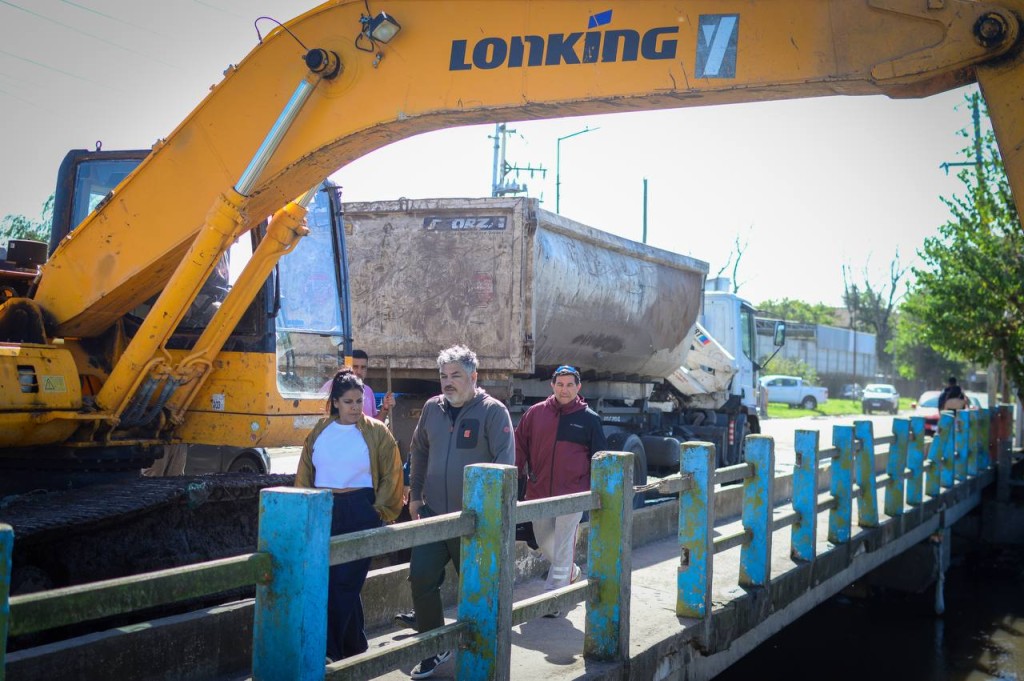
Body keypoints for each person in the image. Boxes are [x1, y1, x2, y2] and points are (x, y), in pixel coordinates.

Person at [405, 345, 515, 679]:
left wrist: (490, 514)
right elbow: (419, 449)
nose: (448, 382)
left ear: (473, 376)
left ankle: (481, 651)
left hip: (475, 521)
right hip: (436, 514)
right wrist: (415, 494)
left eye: (455, 375)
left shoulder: (493, 412)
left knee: (477, 588)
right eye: (443, 376)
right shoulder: (431, 409)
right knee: (421, 577)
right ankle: (435, 647)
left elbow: (505, 462)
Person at [294, 368, 404, 663]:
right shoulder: (320, 430)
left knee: (345, 582)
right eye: (349, 402)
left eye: (358, 401)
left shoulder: (377, 431)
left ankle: (326, 651)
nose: (356, 407)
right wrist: (305, 510)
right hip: (324, 510)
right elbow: (305, 470)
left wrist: (380, 511)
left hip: (361, 509)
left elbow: (393, 473)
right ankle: (355, 646)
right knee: (331, 580)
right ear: (335, 403)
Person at [515, 365, 607, 616]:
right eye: (560, 384)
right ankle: (571, 572)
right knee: (545, 541)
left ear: (578, 387)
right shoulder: (535, 414)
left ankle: (553, 600)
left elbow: (600, 457)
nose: (564, 389)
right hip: (539, 492)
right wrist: (515, 476)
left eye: (569, 385)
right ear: (552, 386)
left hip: (573, 495)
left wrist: (593, 492)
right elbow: (519, 446)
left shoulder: (589, 419)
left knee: (564, 545)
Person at [321, 349, 396, 421]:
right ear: (347, 366)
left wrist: (385, 408)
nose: (359, 372)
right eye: (355, 367)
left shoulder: (368, 391)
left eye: (363, 367)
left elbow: (374, 428)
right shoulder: (332, 386)